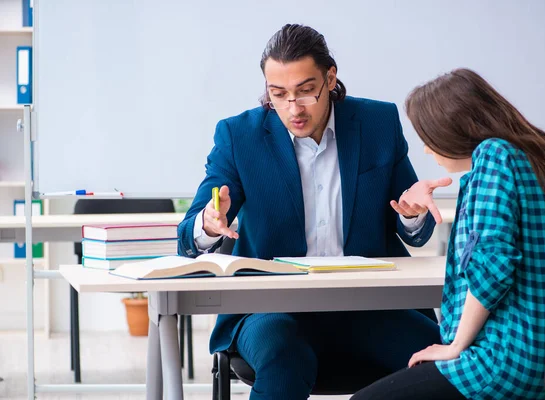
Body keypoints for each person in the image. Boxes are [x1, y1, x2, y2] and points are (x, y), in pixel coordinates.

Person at [178, 24, 450, 400]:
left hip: (369, 305)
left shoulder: (377, 124)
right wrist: (208, 225)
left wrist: (412, 214)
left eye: (306, 91)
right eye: (279, 94)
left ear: (330, 78)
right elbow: (187, 239)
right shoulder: (239, 136)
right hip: (272, 310)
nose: (294, 108)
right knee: (284, 359)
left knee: (450, 361)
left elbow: (414, 231)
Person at [351, 68, 545, 400]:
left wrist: (456, 346)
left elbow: (492, 266)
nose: (427, 151)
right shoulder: (532, 152)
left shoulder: (493, 156)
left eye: (427, 138)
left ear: (452, 127)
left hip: (508, 359)